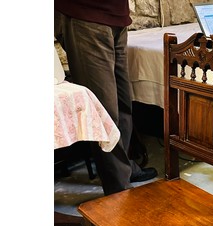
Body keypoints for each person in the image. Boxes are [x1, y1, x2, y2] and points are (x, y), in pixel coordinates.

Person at [54, 0, 158, 195]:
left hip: (116, 16)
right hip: (85, 14)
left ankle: (124, 167)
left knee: (123, 104)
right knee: (105, 110)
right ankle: (118, 187)